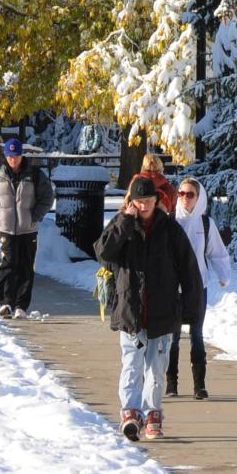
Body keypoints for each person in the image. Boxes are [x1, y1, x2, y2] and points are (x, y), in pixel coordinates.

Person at [94, 176, 203, 442]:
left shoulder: (169, 230)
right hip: (130, 310)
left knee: (155, 368)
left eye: (148, 201)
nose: (144, 207)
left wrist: (191, 309)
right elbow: (103, 252)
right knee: (131, 365)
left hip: (163, 312)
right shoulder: (123, 225)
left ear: (157, 201)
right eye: (138, 202)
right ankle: (130, 414)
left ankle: (153, 413)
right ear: (131, 202)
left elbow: (189, 270)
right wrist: (124, 220)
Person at [166, 175, 231, 399]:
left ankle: (199, 386)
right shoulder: (169, 220)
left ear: (199, 197)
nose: (185, 198)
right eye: (181, 194)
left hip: (197, 286)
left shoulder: (205, 223)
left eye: (190, 194)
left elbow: (217, 252)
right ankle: (171, 383)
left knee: (196, 334)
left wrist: (224, 274)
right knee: (172, 336)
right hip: (173, 288)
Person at [0, 138, 54, 319]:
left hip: (28, 229)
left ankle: (21, 305)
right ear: (5, 156)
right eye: (9, 156)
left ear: (21, 155)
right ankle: (6, 302)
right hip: (6, 228)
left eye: (16, 155)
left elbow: (47, 196)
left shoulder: (35, 174)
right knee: (7, 265)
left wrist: (35, 216)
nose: (13, 159)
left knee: (26, 267)